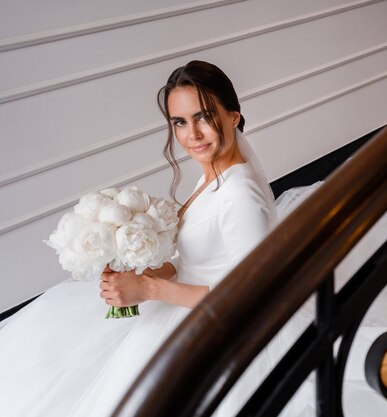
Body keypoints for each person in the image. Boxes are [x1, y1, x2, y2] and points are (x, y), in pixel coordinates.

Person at [0, 60, 276, 417]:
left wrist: (148, 291)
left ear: (233, 116)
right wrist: (155, 272)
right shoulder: (213, 176)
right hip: (189, 304)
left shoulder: (239, 193)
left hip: (218, 330)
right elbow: (208, 258)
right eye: (180, 122)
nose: (192, 134)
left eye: (204, 116)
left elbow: (252, 298)